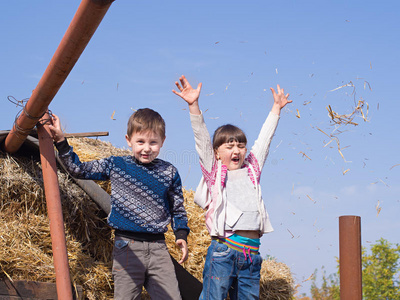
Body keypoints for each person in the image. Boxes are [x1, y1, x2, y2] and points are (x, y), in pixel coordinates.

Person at [49, 108, 190, 300]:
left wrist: (181, 233)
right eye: (140, 142)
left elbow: (177, 207)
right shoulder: (117, 165)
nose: (146, 148)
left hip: (158, 249)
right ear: (128, 140)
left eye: (153, 142)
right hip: (127, 247)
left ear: (162, 141)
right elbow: (78, 170)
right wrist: (60, 141)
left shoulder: (169, 172)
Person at [172, 75, 292, 300]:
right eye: (229, 146)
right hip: (223, 252)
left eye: (241, 145)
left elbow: (264, 141)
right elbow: (201, 140)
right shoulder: (215, 172)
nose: (236, 150)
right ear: (217, 152)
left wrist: (276, 109)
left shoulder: (252, 170)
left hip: (251, 255)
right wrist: (193, 106)